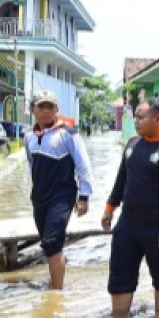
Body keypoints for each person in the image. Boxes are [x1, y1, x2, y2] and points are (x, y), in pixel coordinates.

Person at [101, 98, 159, 317]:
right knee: (120, 274)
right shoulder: (133, 143)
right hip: (128, 224)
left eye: (141, 117)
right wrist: (110, 207)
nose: (136, 121)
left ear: (158, 118)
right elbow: (122, 178)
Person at [23, 89, 93, 290]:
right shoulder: (29, 136)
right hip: (39, 196)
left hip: (62, 196)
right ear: (32, 110)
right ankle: (57, 273)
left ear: (56, 110)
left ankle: (56, 294)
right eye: (41, 106)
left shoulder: (68, 134)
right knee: (48, 243)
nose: (46, 111)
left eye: (50, 107)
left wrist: (84, 196)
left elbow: (83, 165)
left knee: (52, 242)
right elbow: (31, 165)